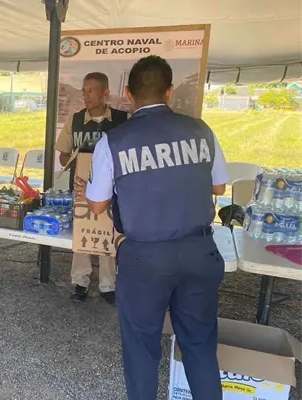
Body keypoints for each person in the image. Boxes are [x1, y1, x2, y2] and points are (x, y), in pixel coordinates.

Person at [77, 55, 228, 399]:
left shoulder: (113, 141)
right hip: (199, 250)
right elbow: (219, 187)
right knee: (200, 346)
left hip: (144, 257)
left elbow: (97, 205)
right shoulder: (201, 131)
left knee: (142, 349)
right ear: (170, 91)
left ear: (128, 95)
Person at [55, 72, 128, 303]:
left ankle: (108, 285)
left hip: (112, 189)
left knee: (108, 232)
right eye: (84, 91)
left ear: (105, 92)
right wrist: (75, 160)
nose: (85, 96)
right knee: (83, 231)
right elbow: (63, 156)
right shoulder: (75, 121)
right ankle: (80, 281)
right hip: (80, 187)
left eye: (91, 90)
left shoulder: (122, 120)